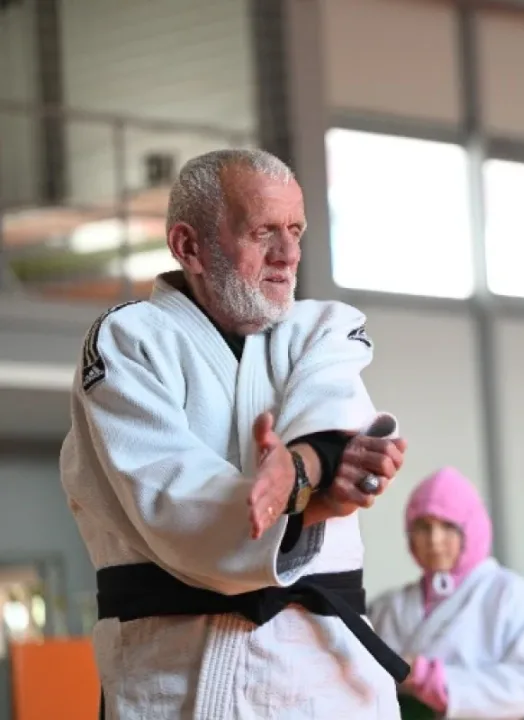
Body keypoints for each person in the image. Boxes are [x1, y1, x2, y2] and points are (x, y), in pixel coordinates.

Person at [60, 148, 411, 719]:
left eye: (296, 229)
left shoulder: (324, 327)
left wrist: (305, 468)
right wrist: (309, 506)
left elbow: (332, 413)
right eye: (263, 231)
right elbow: (171, 503)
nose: (288, 254)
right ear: (188, 246)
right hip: (175, 682)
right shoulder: (129, 340)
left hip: (325, 681)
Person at [369, 467, 524, 719]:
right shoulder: (389, 606)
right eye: (423, 527)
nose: (434, 540)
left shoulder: (507, 594)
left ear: (472, 529)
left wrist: (434, 681)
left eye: (448, 526)